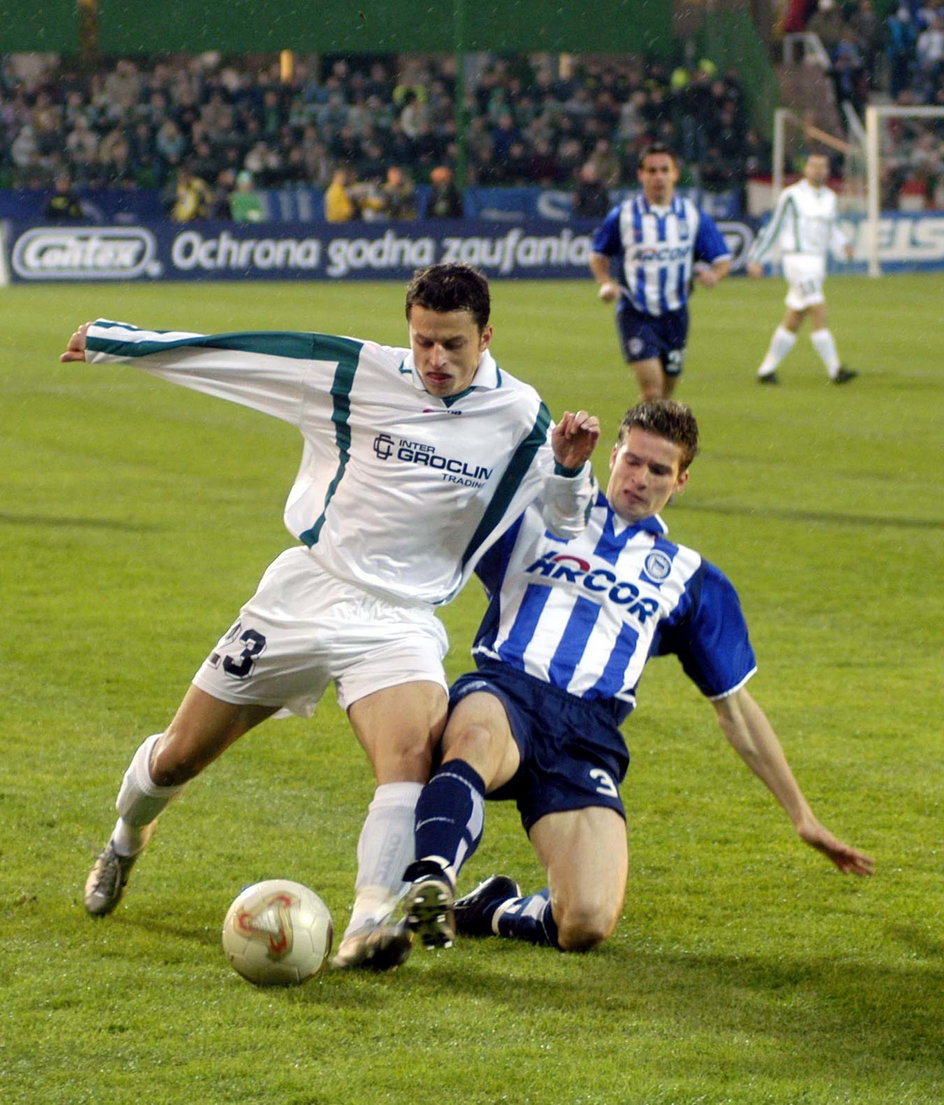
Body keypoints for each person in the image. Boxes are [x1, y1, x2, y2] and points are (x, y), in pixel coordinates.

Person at [62, 263, 600, 971]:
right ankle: (126, 840)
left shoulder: (521, 418)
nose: (435, 360)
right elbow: (246, 357)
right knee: (178, 755)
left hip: (400, 619)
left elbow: (565, 522)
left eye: (453, 345)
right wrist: (116, 341)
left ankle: (371, 920)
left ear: (486, 336)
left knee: (408, 757)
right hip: (305, 592)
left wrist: (567, 468)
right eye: (423, 341)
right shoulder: (356, 371)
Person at [396, 399, 875, 956]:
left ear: (682, 481)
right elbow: (449, 515)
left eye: (659, 471)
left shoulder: (692, 579)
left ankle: (493, 909)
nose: (640, 479)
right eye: (633, 461)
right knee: (475, 737)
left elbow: (736, 709)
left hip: (587, 737)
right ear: (615, 453)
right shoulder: (541, 513)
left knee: (588, 921)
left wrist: (803, 816)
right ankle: (428, 879)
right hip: (507, 692)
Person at [589, 143, 731, 403]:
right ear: (640, 175)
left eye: (664, 170)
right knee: (652, 392)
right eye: (652, 170)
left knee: (665, 395)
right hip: (636, 312)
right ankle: (634, 442)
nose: (658, 176)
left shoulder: (691, 215)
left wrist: (715, 275)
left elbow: (721, 258)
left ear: (675, 174)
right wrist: (605, 282)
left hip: (676, 315)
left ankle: (642, 437)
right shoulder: (624, 216)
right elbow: (598, 253)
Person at [747, 151, 857, 385]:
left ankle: (766, 370)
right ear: (805, 169)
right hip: (797, 261)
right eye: (814, 166)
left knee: (794, 319)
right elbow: (774, 227)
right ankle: (835, 370)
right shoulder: (792, 196)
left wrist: (844, 245)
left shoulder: (829, 197)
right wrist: (757, 258)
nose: (818, 170)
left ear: (827, 170)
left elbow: (832, 228)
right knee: (819, 310)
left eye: (822, 166)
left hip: (817, 262)